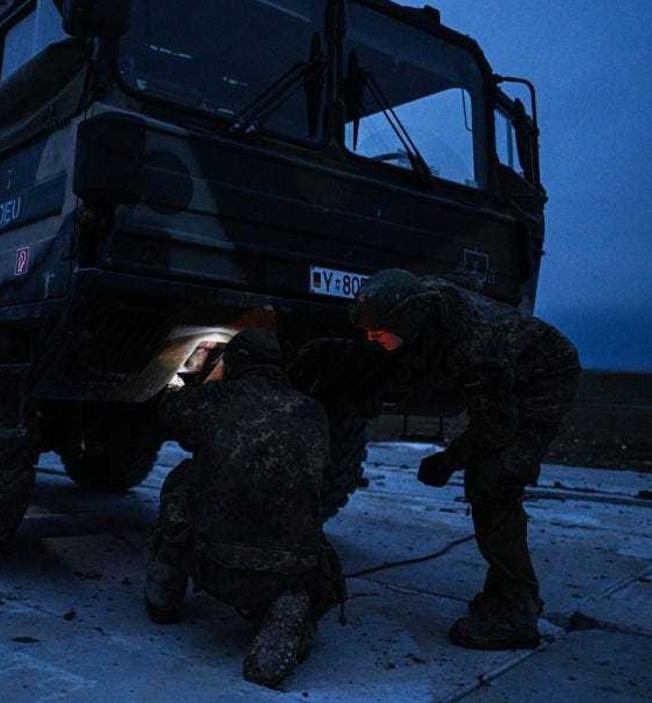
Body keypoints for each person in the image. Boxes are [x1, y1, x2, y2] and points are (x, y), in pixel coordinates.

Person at [347, 268, 581, 650]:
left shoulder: (473, 349)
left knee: (496, 482)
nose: (370, 337)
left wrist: (448, 460)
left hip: (542, 378)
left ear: (406, 320)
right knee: (487, 477)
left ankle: (516, 609)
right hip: (506, 374)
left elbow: (496, 426)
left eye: (379, 330)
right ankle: (504, 590)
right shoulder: (426, 311)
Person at [147, 329, 347, 689]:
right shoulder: (312, 412)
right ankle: (288, 607)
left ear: (237, 361)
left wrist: (181, 369)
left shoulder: (214, 400)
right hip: (289, 566)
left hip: (214, 561)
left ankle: (166, 585)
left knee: (181, 481)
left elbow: (168, 409)